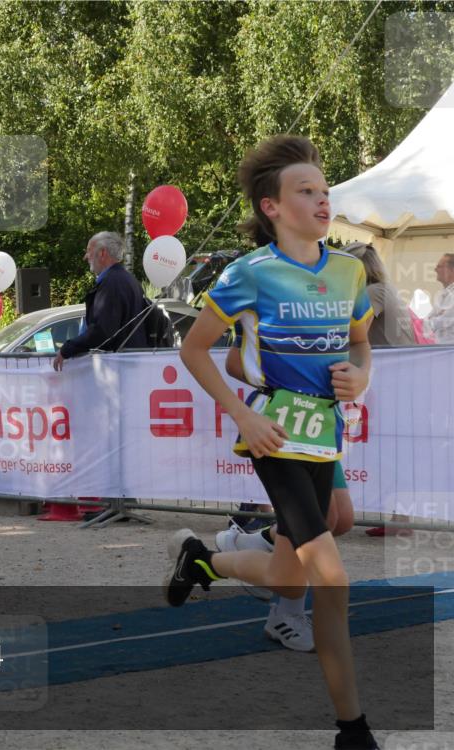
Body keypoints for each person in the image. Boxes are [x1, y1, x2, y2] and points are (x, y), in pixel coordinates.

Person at [167, 135, 379, 749]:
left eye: (324, 190)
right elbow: (194, 348)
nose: (321, 200)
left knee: (290, 581)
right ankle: (353, 730)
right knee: (330, 579)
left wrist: (360, 375)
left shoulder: (349, 270)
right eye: (305, 191)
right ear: (272, 208)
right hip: (276, 439)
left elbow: (361, 343)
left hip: (326, 439)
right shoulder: (249, 274)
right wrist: (243, 416)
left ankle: (205, 561)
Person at [216, 344, 356, 652]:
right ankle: (286, 615)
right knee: (316, 525)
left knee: (341, 518)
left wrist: (360, 374)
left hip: (323, 421)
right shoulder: (265, 296)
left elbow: (361, 344)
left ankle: (251, 542)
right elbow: (232, 362)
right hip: (285, 423)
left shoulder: (348, 296)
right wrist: (292, 381)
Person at [52, 231, 147, 371]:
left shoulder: (112, 283)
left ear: (102, 253)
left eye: (89, 251)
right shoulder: (126, 279)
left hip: (118, 370)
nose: (86, 257)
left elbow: (102, 331)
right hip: (127, 367)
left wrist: (67, 349)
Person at [341, 242, 416, 346]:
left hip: (389, 359)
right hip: (399, 357)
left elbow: (350, 336)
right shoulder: (384, 288)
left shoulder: (373, 292)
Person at [425, 252, 454, 344]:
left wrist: (435, 319)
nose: (435, 269)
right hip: (442, 349)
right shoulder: (442, 294)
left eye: (439, 266)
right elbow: (428, 319)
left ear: (452, 270)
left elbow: (442, 321)